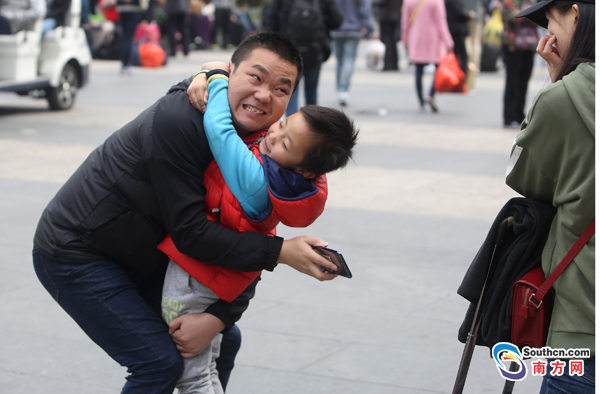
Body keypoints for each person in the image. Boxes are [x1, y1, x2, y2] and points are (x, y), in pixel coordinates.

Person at [32, 32, 340, 394]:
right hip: (77, 251)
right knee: (158, 362)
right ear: (230, 71)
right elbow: (192, 234)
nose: (263, 95)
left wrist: (216, 318)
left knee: (226, 340)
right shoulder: (181, 121)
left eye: (281, 89)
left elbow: (247, 234)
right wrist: (281, 253)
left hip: (149, 254)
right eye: (255, 78)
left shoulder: (263, 147)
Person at [160, 69, 358, 393]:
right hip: (215, 275)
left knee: (192, 376)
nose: (272, 135)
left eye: (286, 142)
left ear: (306, 168)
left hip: (195, 277)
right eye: (282, 125)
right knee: (205, 368)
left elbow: (219, 131)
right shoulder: (297, 180)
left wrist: (217, 78)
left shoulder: (255, 179)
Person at [506, 0, 595, 392]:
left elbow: (526, 177)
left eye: (550, 20)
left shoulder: (566, 98)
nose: (549, 34)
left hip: (584, 319)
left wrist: (558, 80)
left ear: (575, 15)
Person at [263, 0, 343, 116]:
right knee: (311, 92)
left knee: (290, 91)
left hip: (288, 51)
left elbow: (271, 22)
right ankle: (312, 125)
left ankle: (292, 126)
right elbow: (337, 21)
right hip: (314, 50)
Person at [401, 0, 454, 112]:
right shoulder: (436, 1)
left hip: (416, 37)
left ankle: (421, 100)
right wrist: (449, 42)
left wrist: (405, 40)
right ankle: (430, 94)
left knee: (419, 70)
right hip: (432, 38)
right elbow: (441, 22)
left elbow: (405, 22)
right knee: (438, 68)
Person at [500, 0, 538, 128]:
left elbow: (540, 17)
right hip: (513, 47)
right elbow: (515, 17)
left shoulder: (532, 2)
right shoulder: (509, 2)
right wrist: (530, 16)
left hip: (529, 46)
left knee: (524, 82)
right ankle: (509, 117)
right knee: (513, 81)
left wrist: (529, 16)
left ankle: (519, 115)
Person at [331, 0, 375, 106]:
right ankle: (343, 90)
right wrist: (369, 28)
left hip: (337, 29)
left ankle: (339, 89)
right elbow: (364, 9)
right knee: (348, 60)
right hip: (354, 29)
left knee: (340, 60)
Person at [116, 0, 148, 74]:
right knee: (129, 37)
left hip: (121, 8)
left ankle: (124, 63)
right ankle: (126, 64)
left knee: (125, 37)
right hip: (133, 8)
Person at [372, 0, 403, 71]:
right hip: (395, 15)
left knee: (387, 41)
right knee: (392, 41)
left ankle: (388, 64)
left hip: (387, 16)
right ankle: (393, 64)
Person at [445, 0, 471, 74]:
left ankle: (455, 75)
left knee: (456, 55)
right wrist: (468, 15)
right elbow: (459, 13)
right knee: (463, 56)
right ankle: (461, 76)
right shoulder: (454, 1)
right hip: (457, 31)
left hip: (452, 30)